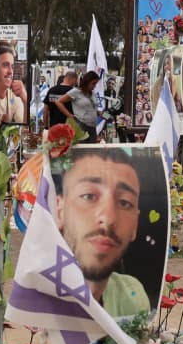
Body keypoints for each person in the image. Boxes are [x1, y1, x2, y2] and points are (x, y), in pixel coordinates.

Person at [55, 147, 154, 320]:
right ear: (60, 211)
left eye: (124, 202)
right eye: (88, 196)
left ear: (135, 225)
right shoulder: (40, 295)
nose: (108, 218)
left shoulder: (132, 295)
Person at [69, 70, 102, 135]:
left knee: (92, 144)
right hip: (81, 125)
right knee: (82, 144)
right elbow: (59, 102)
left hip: (92, 126)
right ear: (87, 82)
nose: (94, 86)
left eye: (96, 84)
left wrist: (98, 112)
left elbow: (90, 107)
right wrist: (69, 115)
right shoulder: (76, 91)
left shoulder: (92, 93)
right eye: (93, 83)